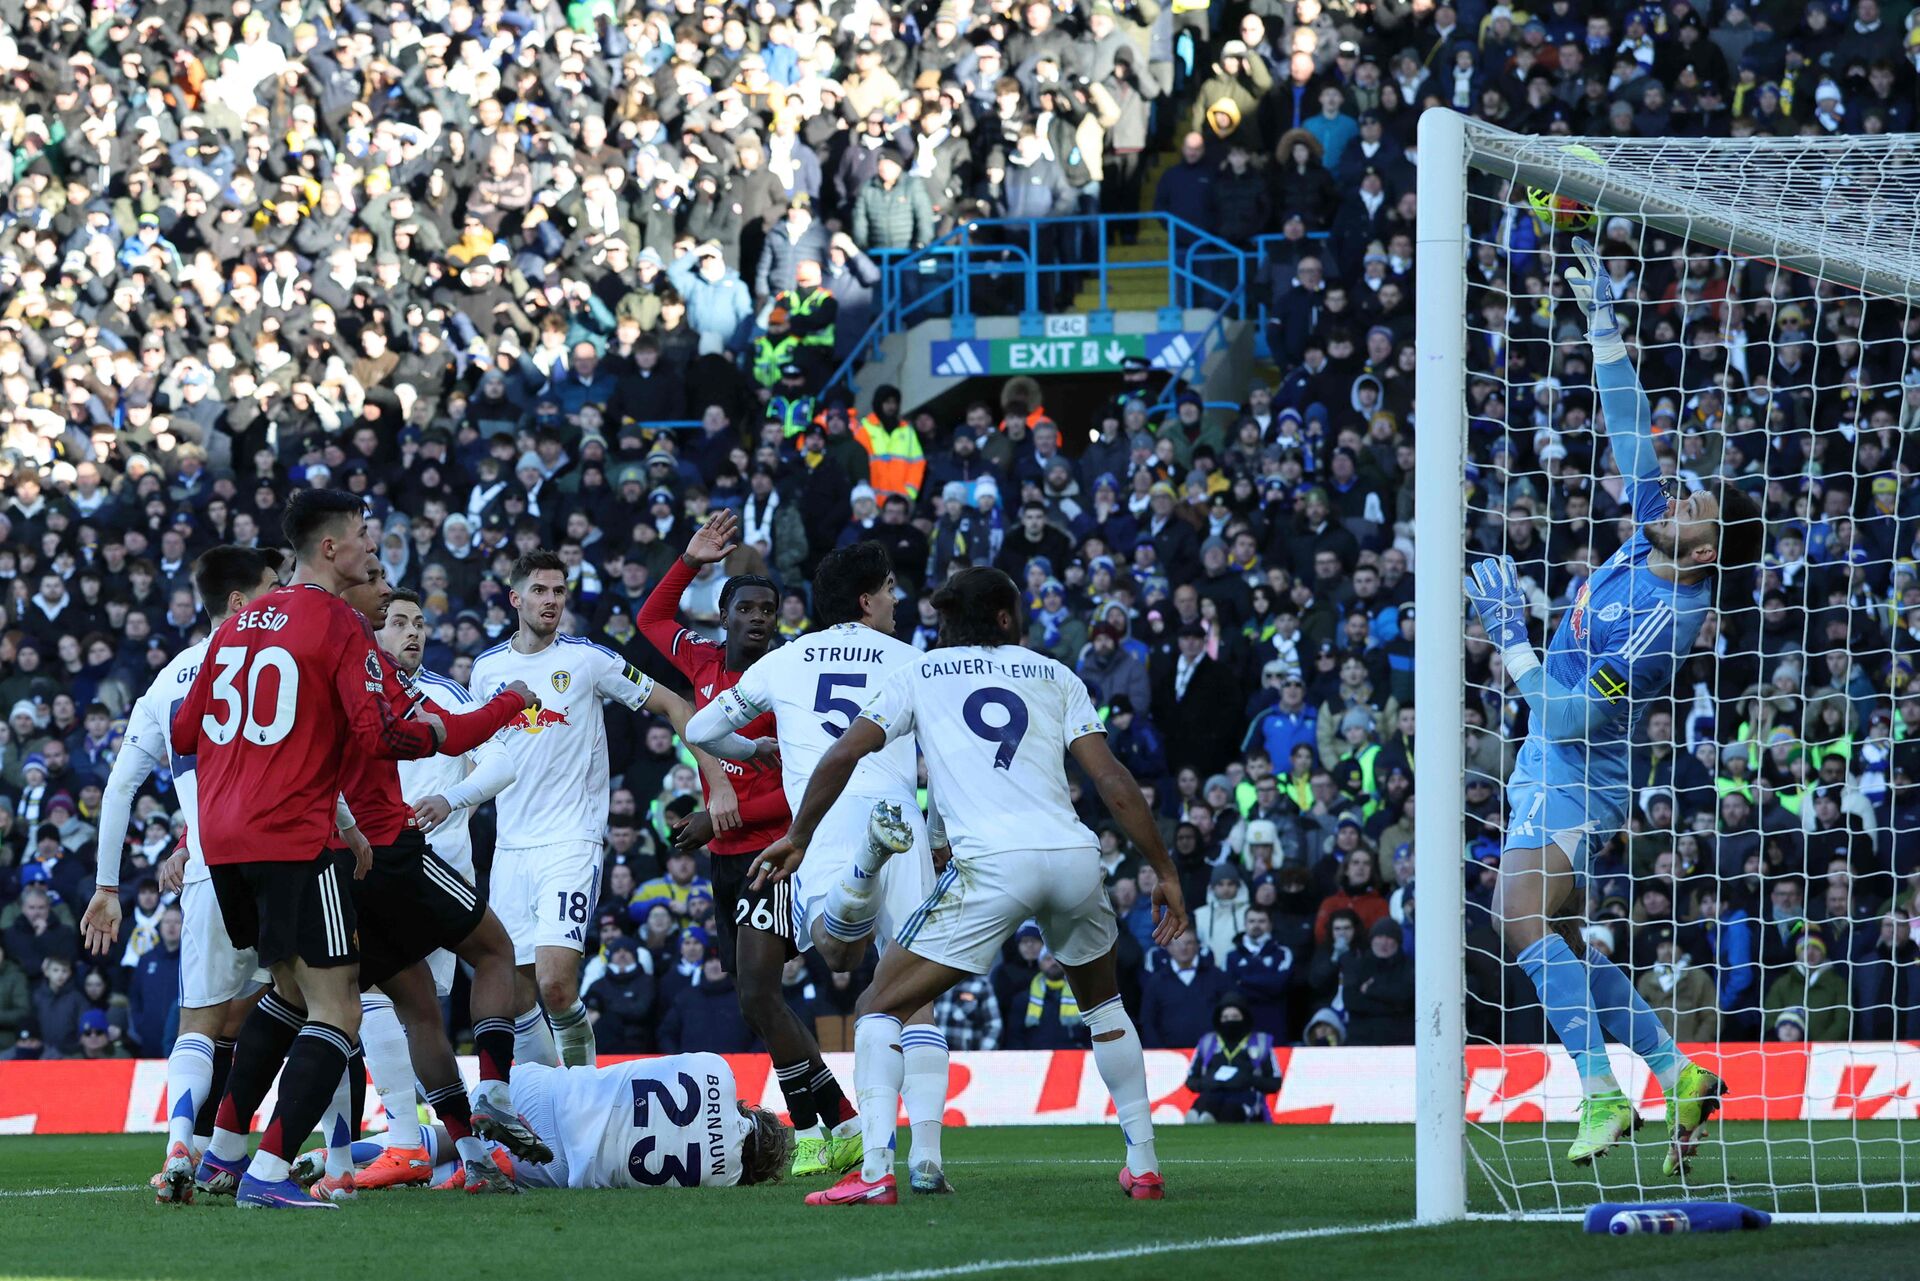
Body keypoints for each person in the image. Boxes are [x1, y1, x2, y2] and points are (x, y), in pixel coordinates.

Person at [1464, 239, 1765, 1175]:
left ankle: (1598, 1089)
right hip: (1553, 757)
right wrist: (1603, 326)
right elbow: (1632, 432)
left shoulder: (1666, 620)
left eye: (1690, 507)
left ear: (1706, 552)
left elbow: (1563, 719)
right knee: (1542, 928)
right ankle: (1675, 1069)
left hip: (1581, 765)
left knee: (1515, 915)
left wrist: (1512, 631)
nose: (1672, 501)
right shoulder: (1653, 541)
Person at [753, 566, 1188, 1205]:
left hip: (991, 866)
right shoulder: (1056, 674)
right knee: (1104, 1007)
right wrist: (1167, 871)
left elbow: (843, 754)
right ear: (1008, 618)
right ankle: (1144, 1166)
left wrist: (799, 835)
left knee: (878, 1006)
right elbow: (1114, 782)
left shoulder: (920, 674)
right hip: (1071, 856)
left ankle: (875, 1175)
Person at [166, 489, 445, 1210]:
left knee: (287, 992)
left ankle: (224, 1157)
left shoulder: (233, 626)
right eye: (362, 536)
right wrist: (446, 734)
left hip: (223, 842)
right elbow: (375, 733)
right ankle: (268, 1173)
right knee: (338, 1007)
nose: (370, 548)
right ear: (330, 547)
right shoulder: (336, 620)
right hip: (292, 833)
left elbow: (186, 729)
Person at [684, 531, 948, 1184]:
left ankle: (860, 873)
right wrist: (941, 834)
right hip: (901, 816)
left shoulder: (784, 661)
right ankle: (927, 1158)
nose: (895, 598)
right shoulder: (910, 658)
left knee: (837, 953)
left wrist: (752, 752)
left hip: (821, 824)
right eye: (888, 589)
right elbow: (943, 761)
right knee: (916, 992)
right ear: (866, 599)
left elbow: (699, 730)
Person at [471, 549, 758, 1071]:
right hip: (511, 848)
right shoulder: (487, 669)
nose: (551, 600)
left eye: (559, 591)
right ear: (515, 598)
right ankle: (544, 1097)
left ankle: (583, 1088)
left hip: (571, 842)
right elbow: (475, 758)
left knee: (555, 987)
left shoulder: (588, 659)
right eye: (540, 590)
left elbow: (677, 705)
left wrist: (715, 780)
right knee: (513, 999)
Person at [640, 514, 851, 1172]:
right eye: (748, 608)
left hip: (776, 856)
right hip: (727, 864)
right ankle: (839, 1119)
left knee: (759, 995)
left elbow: (802, 787)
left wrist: (718, 819)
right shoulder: (699, 659)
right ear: (723, 614)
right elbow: (650, 618)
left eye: (770, 609)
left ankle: (822, 1128)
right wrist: (690, 560)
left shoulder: (789, 676)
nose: (759, 618)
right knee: (760, 1002)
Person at [80, 546, 283, 1203]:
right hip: (286, 858)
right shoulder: (278, 661)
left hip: (208, 869)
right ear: (240, 601)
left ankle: (182, 1147)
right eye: (272, 588)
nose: (282, 598)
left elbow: (118, 789)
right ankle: (328, 1158)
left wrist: (107, 886)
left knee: (205, 1022)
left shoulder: (167, 679)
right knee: (326, 1005)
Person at [353, 587, 521, 1188]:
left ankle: (431, 1141)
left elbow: (503, 763)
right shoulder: (360, 694)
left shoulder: (445, 696)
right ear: (374, 633)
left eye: (420, 624)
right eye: (398, 622)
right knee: (388, 1008)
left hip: (436, 874)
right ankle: (433, 1143)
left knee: (419, 1011)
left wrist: (452, 799)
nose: (413, 633)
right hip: (379, 869)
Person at [306, 1053, 792, 1192]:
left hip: (551, 1096)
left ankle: (334, 1157)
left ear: (751, 1110)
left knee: (446, 1140)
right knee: (466, 1168)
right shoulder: (722, 1180)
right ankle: (447, 1176)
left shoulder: (718, 1071)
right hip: (562, 1169)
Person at [1183, 993, 1280, 1122]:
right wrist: (1207, 1082)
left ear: (1244, 1017)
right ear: (1219, 1019)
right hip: (1213, 1093)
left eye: (1235, 1017)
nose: (1230, 1021)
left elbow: (1275, 1082)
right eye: (1225, 1017)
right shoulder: (1207, 1042)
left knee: (1230, 1110)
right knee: (1203, 1106)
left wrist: (1249, 1080)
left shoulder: (1261, 1042)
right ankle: (1196, 1119)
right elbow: (1191, 1080)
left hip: (1246, 1095)